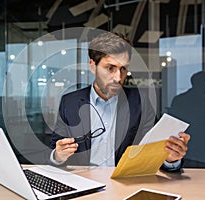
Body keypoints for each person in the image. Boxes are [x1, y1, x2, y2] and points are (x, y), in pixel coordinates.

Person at [49, 32, 190, 171]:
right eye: (110, 68)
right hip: (83, 182)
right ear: (93, 66)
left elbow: (153, 151)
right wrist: (58, 156)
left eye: (123, 69)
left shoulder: (140, 101)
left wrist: (170, 159)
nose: (118, 77)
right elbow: (54, 152)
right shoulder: (70, 102)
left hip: (124, 183)